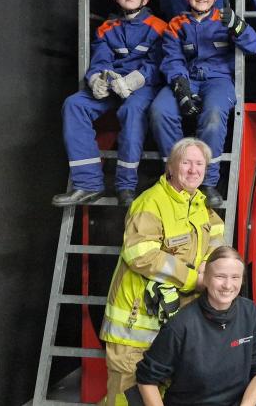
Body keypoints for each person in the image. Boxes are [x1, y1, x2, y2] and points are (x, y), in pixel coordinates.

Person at [98, 137, 226, 406]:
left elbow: (216, 242)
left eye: (199, 164)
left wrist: (211, 266)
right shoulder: (151, 203)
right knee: (127, 397)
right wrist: (194, 278)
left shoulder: (201, 206)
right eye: (186, 162)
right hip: (133, 329)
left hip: (172, 324)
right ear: (171, 166)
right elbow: (140, 254)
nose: (193, 170)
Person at [53, 0, 166, 208]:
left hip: (143, 87)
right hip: (114, 86)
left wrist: (133, 81)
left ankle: (125, 186)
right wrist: (96, 80)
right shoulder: (106, 28)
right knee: (74, 104)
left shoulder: (159, 27)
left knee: (132, 111)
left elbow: (158, 64)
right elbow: (100, 61)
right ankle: (88, 184)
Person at [149, 0, 256, 208]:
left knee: (213, 114)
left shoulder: (226, 19)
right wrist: (181, 88)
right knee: (160, 110)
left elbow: (254, 46)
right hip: (187, 78)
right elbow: (172, 59)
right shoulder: (176, 24)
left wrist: (238, 27)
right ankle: (176, 178)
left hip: (218, 80)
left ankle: (207, 182)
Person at [136, 246, 256, 406]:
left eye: (235, 277)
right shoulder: (182, 325)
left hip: (237, 401)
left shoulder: (250, 313)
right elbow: (146, 378)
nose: (228, 285)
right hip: (194, 402)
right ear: (206, 279)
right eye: (220, 276)